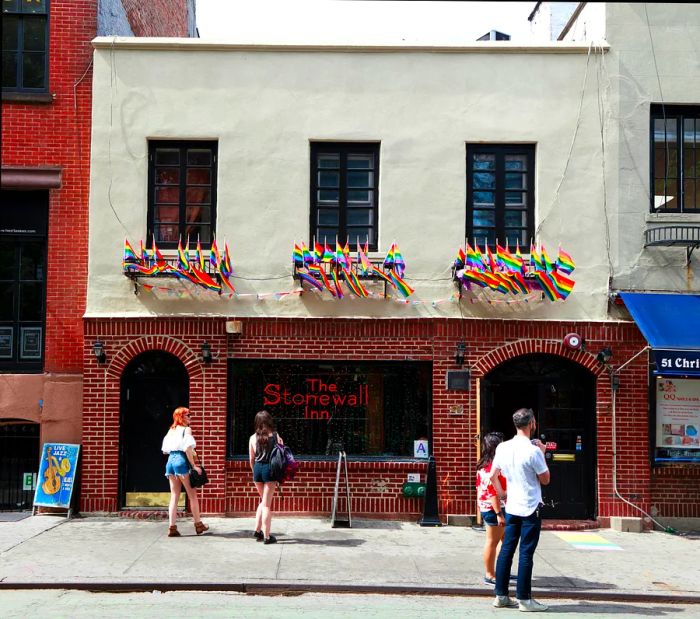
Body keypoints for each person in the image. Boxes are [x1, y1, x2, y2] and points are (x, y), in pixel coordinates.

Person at [489, 408, 550, 612]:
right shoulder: (533, 451)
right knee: (526, 553)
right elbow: (545, 479)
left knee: (506, 550)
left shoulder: (503, 447)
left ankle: (501, 595)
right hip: (531, 506)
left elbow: (492, 475)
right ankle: (524, 599)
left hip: (512, 506)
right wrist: (542, 453)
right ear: (532, 423)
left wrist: (502, 494)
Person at [161, 406, 209, 537]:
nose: (190, 417)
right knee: (192, 495)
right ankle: (198, 525)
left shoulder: (171, 430)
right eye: (188, 415)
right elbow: (188, 449)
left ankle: (172, 527)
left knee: (174, 496)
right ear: (181, 417)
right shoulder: (187, 429)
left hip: (170, 462)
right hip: (181, 461)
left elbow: (165, 450)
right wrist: (194, 466)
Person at [475, 432, 507, 585]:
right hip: (493, 509)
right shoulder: (491, 468)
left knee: (504, 540)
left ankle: (500, 570)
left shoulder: (484, 465)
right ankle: (490, 574)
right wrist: (499, 514)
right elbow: (493, 493)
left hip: (489, 508)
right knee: (492, 541)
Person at [249, 410, 283, 545]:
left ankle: (257, 530)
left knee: (263, 501)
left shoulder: (252, 437)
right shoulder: (275, 436)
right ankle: (267, 536)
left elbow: (251, 458)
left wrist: (254, 471)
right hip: (270, 470)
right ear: (269, 421)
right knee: (267, 505)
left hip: (257, 468)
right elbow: (281, 454)